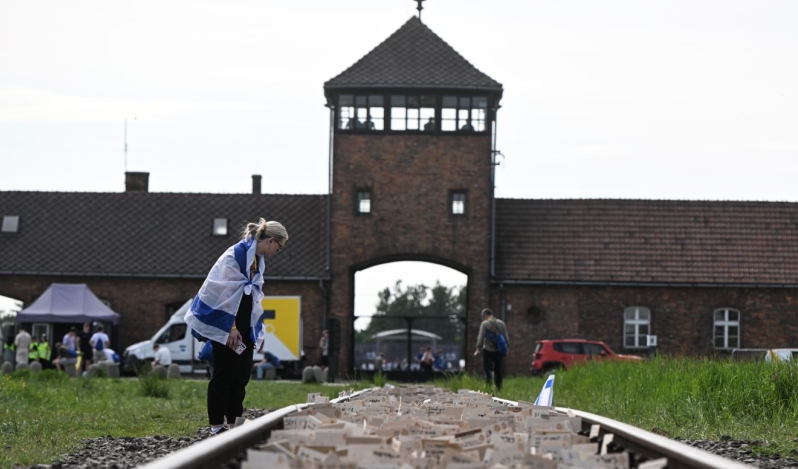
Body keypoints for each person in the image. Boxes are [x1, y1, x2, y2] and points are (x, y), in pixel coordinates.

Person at [184, 218, 288, 436]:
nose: (277, 252)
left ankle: (234, 422)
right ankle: (216, 425)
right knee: (224, 375)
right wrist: (229, 328)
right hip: (228, 326)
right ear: (270, 241)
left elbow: (252, 298)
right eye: (279, 247)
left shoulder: (256, 260)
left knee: (240, 377)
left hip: (245, 326)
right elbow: (223, 293)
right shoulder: (236, 255)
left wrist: (255, 332)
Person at [474, 308, 509, 391]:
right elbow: (506, 338)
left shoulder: (485, 324)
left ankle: (488, 386)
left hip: (488, 349)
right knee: (498, 369)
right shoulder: (501, 323)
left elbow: (480, 338)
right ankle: (499, 387)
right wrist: (506, 348)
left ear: (485, 315)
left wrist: (478, 348)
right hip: (499, 350)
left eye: (482, 316)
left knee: (487, 369)